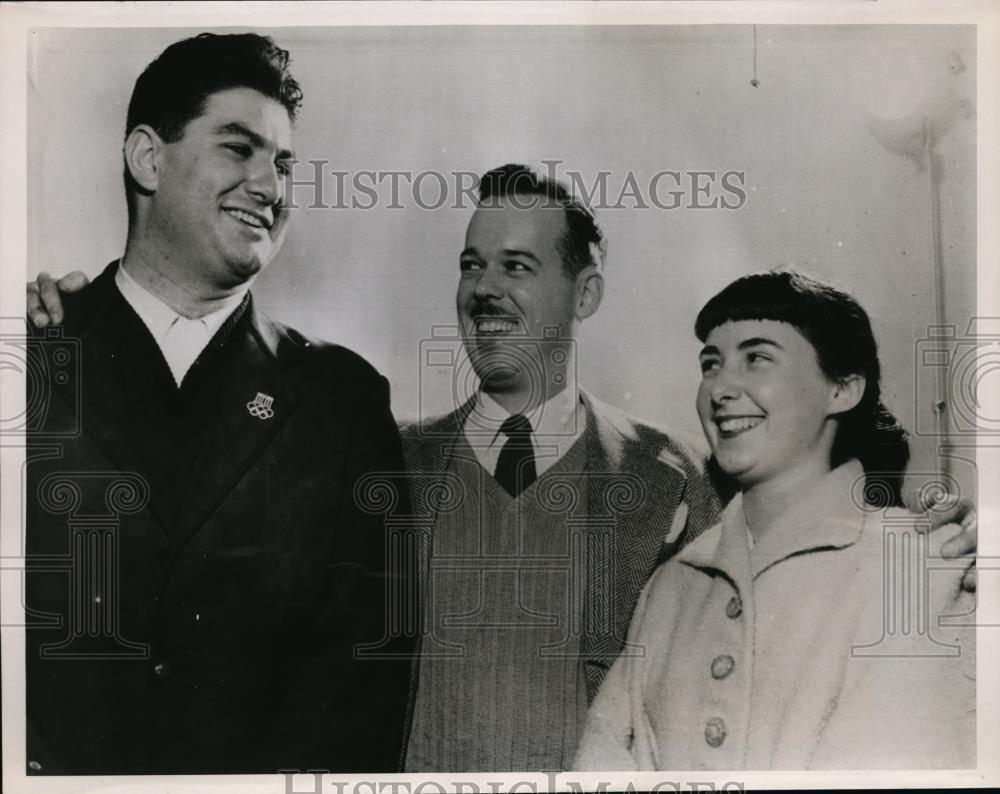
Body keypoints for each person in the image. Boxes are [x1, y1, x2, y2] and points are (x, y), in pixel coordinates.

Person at [29, 165, 978, 773]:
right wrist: (90, 320)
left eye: (519, 267)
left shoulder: (675, 475)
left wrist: (914, 513)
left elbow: (795, 533)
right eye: (472, 263)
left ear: (585, 292)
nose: (484, 289)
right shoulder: (380, 460)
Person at [23, 32, 415, 775]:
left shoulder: (342, 403)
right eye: (239, 149)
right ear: (148, 158)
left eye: (284, 164)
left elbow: (363, 687)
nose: (271, 187)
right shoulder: (30, 361)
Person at [574, 270, 976, 770]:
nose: (721, 387)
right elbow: (604, 760)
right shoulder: (672, 586)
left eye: (757, 358)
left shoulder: (926, 568)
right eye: (711, 364)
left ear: (843, 390)